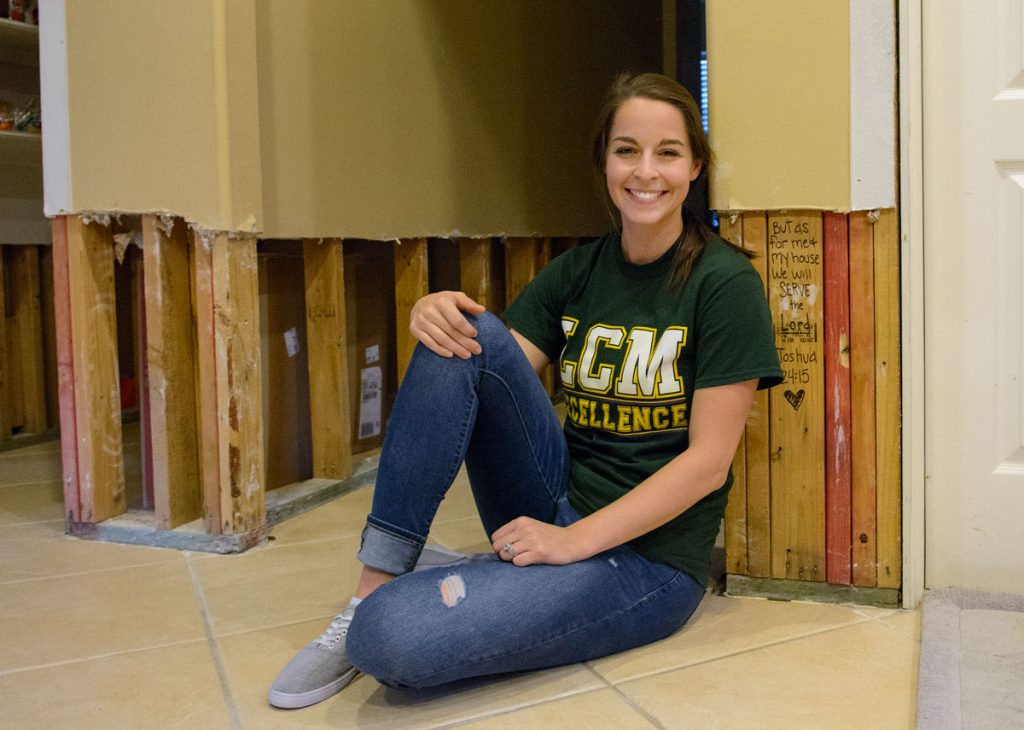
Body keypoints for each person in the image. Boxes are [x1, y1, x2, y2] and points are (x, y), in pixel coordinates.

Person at [268, 71, 782, 709]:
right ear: (603, 163)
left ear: (694, 167)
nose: (645, 171)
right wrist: (431, 310)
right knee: (463, 330)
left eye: (667, 152)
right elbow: (482, 368)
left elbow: (707, 465)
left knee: (391, 641)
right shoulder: (577, 271)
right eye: (627, 150)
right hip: (551, 500)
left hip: (644, 564)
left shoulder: (724, 283)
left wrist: (574, 542)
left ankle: (423, 599)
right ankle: (370, 588)